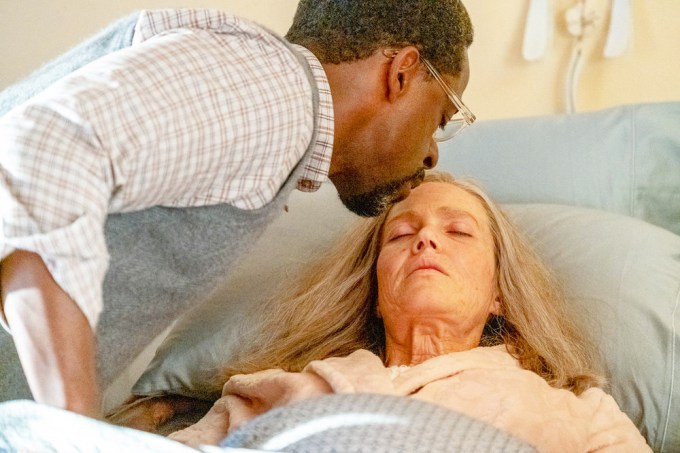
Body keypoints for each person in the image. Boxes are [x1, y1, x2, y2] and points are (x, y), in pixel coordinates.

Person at [0, 1, 474, 419]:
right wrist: (73, 428)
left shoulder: (251, 88)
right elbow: (43, 152)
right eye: (441, 119)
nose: (432, 152)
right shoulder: (277, 94)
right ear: (403, 73)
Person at [112, 172, 651, 451]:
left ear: (500, 295)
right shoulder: (281, 391)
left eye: (458, 231)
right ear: (374, 288)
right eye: (402, 233)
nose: (426, 242)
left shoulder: (580, 413)